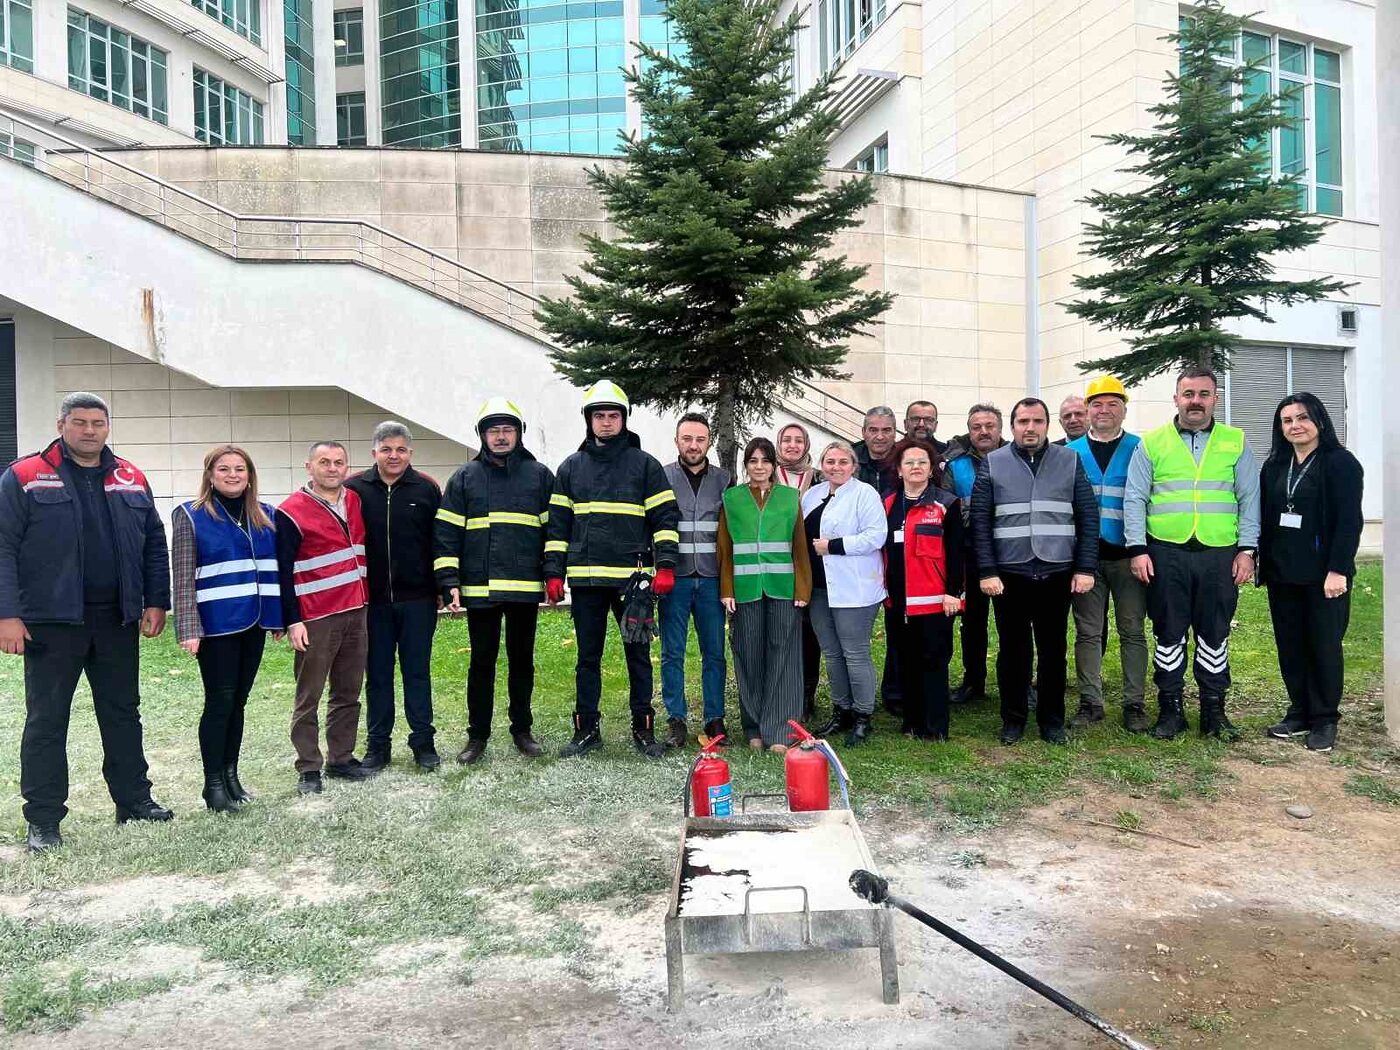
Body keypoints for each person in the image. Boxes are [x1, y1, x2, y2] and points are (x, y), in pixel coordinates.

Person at [0, 393, 173, 852]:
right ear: (62, 425)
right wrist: (6, 615)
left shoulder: (130, 477)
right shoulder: (24, 476)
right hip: (51, 623)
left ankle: (134, 800)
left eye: (98, 423)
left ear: (107, 427)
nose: (90, 431)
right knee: (47, 721)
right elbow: (3, 547)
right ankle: (43, 820)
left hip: (116, 619)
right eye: (80, 422)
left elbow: (154, 542)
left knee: (122, 714)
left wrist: (156, 601)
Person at [545, 380, 681, 759]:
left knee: (637, 657)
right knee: (587, 658)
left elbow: (665, 519)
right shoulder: (571, 467)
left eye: (613, 416)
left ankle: (644, 730)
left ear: (624, 420)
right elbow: (558, 526)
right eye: (599, 416)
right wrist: (554, 572)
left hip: (632, 582)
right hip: (587, 580)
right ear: (589, 421)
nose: (606, 422)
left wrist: (665, 566)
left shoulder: (646, 466)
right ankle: (586, 730)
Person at [1124, 366, 1260, 740]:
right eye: (1188, 394)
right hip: (1166, 552)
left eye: (1203, 394)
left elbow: (1250, 499)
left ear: (1215, 398)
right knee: (1168, 631)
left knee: (1214, 632)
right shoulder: (1152, 442)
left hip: (1219, 554)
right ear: (1176, 399)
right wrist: (1137, 549)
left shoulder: (1236, 441)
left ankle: (1213, 712)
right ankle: (1171, 710)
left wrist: (1247, 550)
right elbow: (1135, 498)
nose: (1195, 401)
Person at [972, 397, 1099, 745]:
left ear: (1047, 425)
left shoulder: (1069, 460)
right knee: (1013, 652)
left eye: (1038, 421)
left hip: (1056, 572)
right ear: (1012, 426)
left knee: (1053, 651)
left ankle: (1051, 721)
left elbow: (1088, 517)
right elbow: (981, 522)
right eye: (1023, 421)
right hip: (1009, 575)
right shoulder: (993, 463)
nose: (1030, 428)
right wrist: (987, 570)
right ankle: (1013, 719)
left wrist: (1085, 566)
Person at [435, 398, 552, 762]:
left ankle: (522, 730)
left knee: (522, 662)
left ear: (519, 433)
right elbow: (447, 533)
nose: (501, 437)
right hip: (480, 588)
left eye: (507, 429)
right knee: (481, 663)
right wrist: (448, 579)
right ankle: (477, 736)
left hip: (523, 588)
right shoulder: (465, 478)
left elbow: (554, 531)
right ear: (482, 435)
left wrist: (552, 574)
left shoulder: (539, 475)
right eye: (493, 430)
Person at [172, 445, 284, 813]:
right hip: (216, 625)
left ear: (250, 475)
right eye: (224, 469)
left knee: (239, 702)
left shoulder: (266, 515)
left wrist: (277, 616)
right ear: (210, 474)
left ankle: (232, 776)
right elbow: (183, 575)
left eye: (240, 469)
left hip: (254, 622)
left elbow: (274, 570)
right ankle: (213, 784)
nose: (233, 475)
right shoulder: (190, 515)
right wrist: (189, 627)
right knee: (219, 702)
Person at [1258, 393, 1363, 753]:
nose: (1295, 426)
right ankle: (1299, 711)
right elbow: (1266, 518)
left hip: (1324, 577)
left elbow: (1349, 523)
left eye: (1302, 417)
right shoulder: (1274, 465)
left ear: (1319, 420)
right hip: (1284, 573)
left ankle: (1325, 719)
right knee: (1290, 646)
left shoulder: (1340, 463)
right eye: (1287, 420)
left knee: (1323, 646)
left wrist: (1338, 569)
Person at [277, 440, 374, 793]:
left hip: (356, 610)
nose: (332, 468)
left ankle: (341, 758)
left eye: (338, 462)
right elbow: (282, 571)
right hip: (316, 615)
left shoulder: (355, 500)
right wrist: (292, 620)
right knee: (309, 695)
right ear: (309, 466)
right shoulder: (290, 511)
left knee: (348, 691)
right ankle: (308, 767)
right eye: (324, 462)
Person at [345, 422, 442, 771]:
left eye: (400, 449)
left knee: (417, 673)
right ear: (374, 453)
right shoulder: (353, 489)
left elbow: (439, 542)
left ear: (410, 453)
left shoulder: (427, 488)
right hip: (371, 602)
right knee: (378, 675)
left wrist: (444, 586)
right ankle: (377, 747)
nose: (393, 455)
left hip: (418, 599)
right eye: (386, 449)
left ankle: (423, 744)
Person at [1066, 377, 1150, 732]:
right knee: (1088, 632)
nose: (1104, 410)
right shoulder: (1070, 453)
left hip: (1128, 556)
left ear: (1124, 410)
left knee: (1132, 630)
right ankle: (1091, 701)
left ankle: (1134, 703)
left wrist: (1142, 550)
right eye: (1097, 404)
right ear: (1087, 411)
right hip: (1085, 560)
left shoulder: (1140, 448)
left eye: (1112, 403)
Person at [718, 437, 812, 751]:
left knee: (783, 655)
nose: (759, 467)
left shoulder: (789, 497)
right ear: (746, 465)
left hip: (783, 588)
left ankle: (782, 731)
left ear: (773, 465)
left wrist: (803, 587)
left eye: (765, 461)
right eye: (753, 461)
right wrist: (726, 587)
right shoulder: (731, 498)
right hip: (745, 591)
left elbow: (799, 545)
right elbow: (725, 548)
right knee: (749, 656)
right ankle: (754, 729)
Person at [803, 441, 888, 746]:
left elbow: (876, 536)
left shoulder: (864, 494)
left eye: (842, 462)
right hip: (819, 589)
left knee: (855, 652)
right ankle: (842, 710)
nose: (835, 467)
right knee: (832, 652)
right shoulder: (812, 495)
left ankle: (863, 715)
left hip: (855, 588)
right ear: (821, 465)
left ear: (853, 465)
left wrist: (835, 545)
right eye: (830, 461)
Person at [882, 439, 962, 741]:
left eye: (922, 463)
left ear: (931, 470)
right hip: (898, 600)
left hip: (935, 600)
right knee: (906, 662)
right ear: (899, 470)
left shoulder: (946, 503)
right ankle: (912, 723)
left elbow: (956, 553)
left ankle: (936, 727)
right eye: (909, 463)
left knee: (934, 663)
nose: (915, 467)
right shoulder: (887, 504)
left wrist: (954, 592)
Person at [661, 413, 732, 749]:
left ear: (708, 442)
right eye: (687, 439)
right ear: (677, 441)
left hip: (711, 579)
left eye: (700, 440)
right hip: (674, 579)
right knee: (672, 652)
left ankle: (714, 718)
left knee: (714, 653)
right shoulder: (661, 477)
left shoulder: (725, 480)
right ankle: (676, 720)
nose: (693, 445)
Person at [941, 404, 1007, 706]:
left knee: (1014, 623)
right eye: (977, 426)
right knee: (973, 623)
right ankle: (974, 681)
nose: (984, 431)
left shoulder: (1016, 459)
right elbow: (951, 512)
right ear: (969, 431)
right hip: (970, 554)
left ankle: (1015, 680)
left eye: (989, 425)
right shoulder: (955, 466)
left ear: (1000, 428)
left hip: (1009, 554)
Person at [775, 422, 822, 720]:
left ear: (806, 445)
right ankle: (781, 690)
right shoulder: (766, 474)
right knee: (782, 630)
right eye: (786, 440)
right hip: (776, 565)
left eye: (798, 440)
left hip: (810, 565)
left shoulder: (818, 478)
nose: (792, 445)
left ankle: (806, 694)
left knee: (809, 633)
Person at [853, 407, 899, 495]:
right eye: (873, 430)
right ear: (863, 432)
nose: (880, 437)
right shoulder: (849, 460)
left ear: (895, 432)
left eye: (886, 430)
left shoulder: (905, 460)